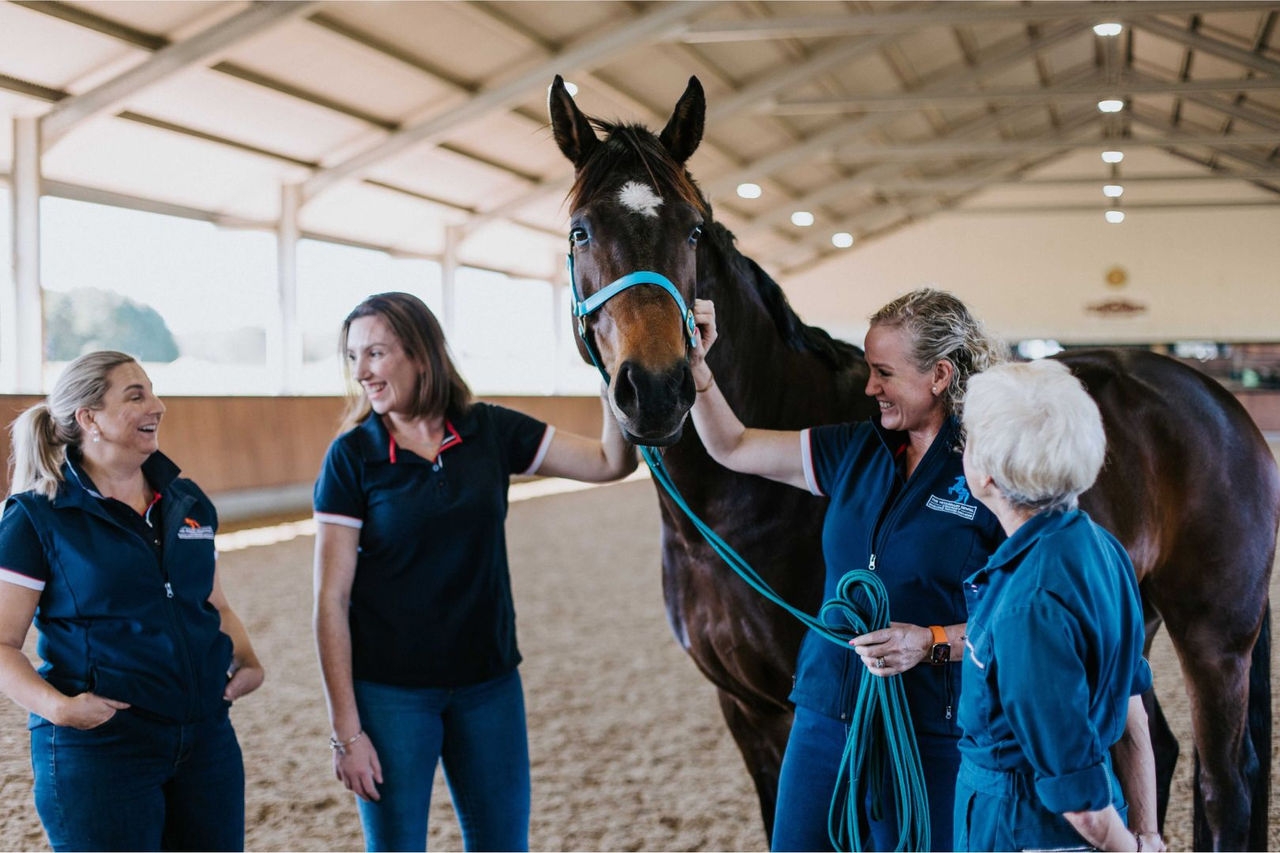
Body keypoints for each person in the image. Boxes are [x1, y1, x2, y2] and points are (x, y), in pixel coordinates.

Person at [312, 291, 637, 852]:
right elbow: (329, 601)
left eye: (376, 353)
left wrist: (609, 367)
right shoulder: (352, 458)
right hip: (391, 695)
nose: (361, 371)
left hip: (489, 686)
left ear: (420, 354)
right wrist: (347, 732)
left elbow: (611, 462)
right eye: (353, 356)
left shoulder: (489, 430)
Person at [688, 287, 1006, 851]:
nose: (868, 387)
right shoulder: (854, 448)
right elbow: (733, 446)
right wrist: (698, 370)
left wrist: (930, 642)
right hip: (826, 714)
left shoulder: (994, 469)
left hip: (932, 727)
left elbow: (1020, 615)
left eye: (884, 372)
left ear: (939, 375)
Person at [0, 350, 263, 852]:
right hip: (102, 746)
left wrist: (246, 658)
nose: (157, 406)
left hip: (205, 738)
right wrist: (59, 709)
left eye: (154, 392)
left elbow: (213, 604)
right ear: (88, 418)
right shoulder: (36, 517)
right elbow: (1, 643)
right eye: (136, 396)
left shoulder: (187, 501)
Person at [954, 358, 1165, 852]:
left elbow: (1083, 807)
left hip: (1026, 830)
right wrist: (1148, 833)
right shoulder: (1103, 548)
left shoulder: (1028, 605)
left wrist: (1128, 849)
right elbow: (1132, 715)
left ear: (986, 475)